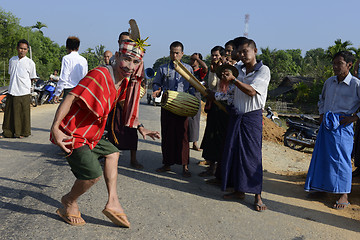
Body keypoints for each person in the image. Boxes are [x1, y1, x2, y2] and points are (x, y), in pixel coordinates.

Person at [50, 39, 159, 227]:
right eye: (126, 59)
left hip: (93, 134)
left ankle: (113, 201)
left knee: (113, 153)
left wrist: (141, 127)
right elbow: (71, 96)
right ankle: (69, 201)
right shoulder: (100, 74)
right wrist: (55, 129)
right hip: (73, 133)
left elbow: (126, 106)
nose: (130, 66)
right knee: (92, 175)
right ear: (117, 57)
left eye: (135, 63)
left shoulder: (123, 82)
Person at [304, 51, 360, 209]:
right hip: (326, 124)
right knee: (322, 157)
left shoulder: (356, 84)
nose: (335, 67)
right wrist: (321, 113)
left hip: (343, 126)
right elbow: (321, 99)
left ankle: (343, 194)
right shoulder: (329, 82)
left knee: (341, 160)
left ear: (349, 65)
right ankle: (320, 189)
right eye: (334, 63)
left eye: (339, 64)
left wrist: (354, 118)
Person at [220, 39, 270, 212]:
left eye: (245, 51)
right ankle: (238, 190)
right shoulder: (238, 69)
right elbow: (231, 92)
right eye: (239, 52)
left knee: (252, 157)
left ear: (255, 50)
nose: (242, 55)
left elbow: (251, 91)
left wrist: (233, 80)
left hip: (252, 118)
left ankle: (257, 195)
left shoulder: (263, 70)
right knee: (234, 153)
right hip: (237, 115)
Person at [152, 41, 195, 177]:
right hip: (168, 106)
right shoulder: (163, 68)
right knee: (167, 135)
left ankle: (185, 166)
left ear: (182, 54)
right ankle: (167, 164)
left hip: (183, 107)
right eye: (172, 52)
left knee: (183, 135)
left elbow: (193, 86)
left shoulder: (188, 69)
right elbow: (156, 83)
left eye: (177, 52)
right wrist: (156, 90)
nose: (174, 55)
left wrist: (192, 101)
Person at [106, 32, 146, 169]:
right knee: (112, 130)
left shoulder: (136, 60)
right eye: (123, 41)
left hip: (129, 99)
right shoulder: (115, 59)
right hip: (115, 99)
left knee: (131, 130)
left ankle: (133, 159)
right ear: (118, 42)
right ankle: (109, 156)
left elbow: (140, 79)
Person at [198, 46, 229, 176]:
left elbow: (222, 88)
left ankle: (215, 167)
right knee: (209, 135)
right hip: (212, 106)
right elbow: (211, 85)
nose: (214, 58)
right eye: (213, 55)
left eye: (216, 55)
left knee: (217, 137)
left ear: (221, 56)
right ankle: (210, 165)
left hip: (221, 106)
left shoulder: (225, 70)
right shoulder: (211, 69)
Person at [1, 39, 37, 139]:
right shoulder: (12, 60)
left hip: (23, 91)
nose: (22, 51)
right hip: (12, 90)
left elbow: (32, 77)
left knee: (23, 113)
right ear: (17, 48)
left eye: (25, 49)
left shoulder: (30, 63)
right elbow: (11, 73)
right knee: (9, 113)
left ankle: (23, 132)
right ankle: (7, 133)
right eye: (21, 48)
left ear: (27, 50)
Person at [53, 36, 88, 102]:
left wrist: (57, 93)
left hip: (69, 91)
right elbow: (85, 76)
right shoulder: (83, 60)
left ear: (67, 47)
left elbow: (64, 77)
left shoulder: (66, 58)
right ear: (78, 47)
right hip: (80, 91)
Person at [188, 53, 208, 151]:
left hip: (196, 95)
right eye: (191, 59)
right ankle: (185, 142)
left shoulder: (200, 71)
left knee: (195, 120)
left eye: (194, 59)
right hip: (186, 95)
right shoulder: (187, 70)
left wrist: (198, 59)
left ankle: (195, 143)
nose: (192, 61)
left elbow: (205, 68)